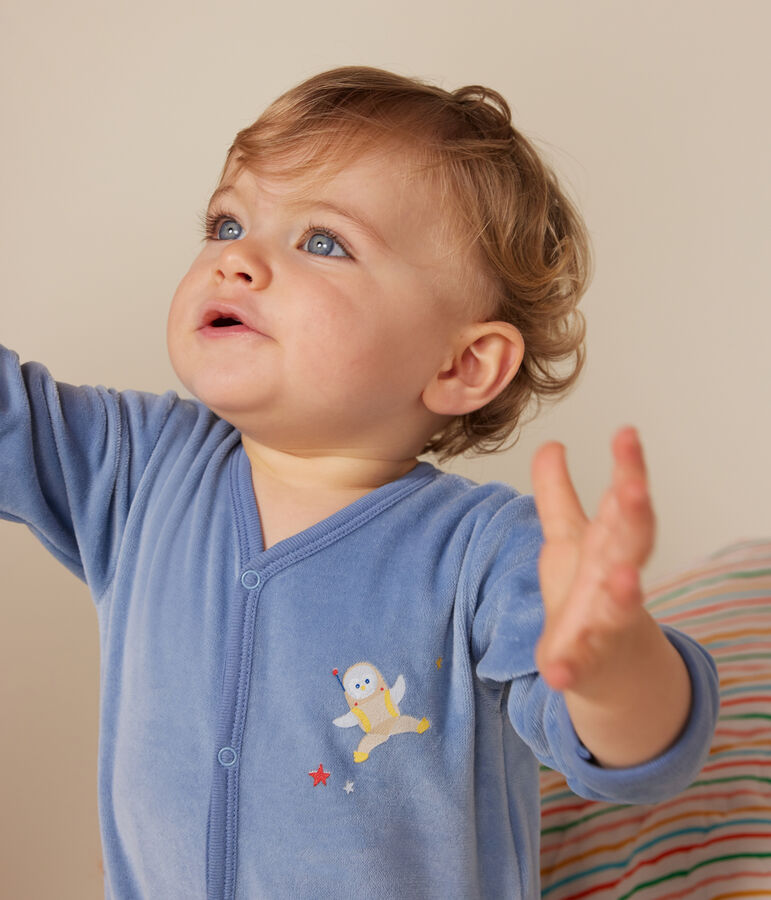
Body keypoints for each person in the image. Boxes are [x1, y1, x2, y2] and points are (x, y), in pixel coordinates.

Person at [0, 66, 718, 899]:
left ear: (462, 364)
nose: (237, 259)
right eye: (227, 222)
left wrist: (613, 663)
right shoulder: (139, 467)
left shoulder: (484, 555)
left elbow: (639, 759)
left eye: (322, 242)